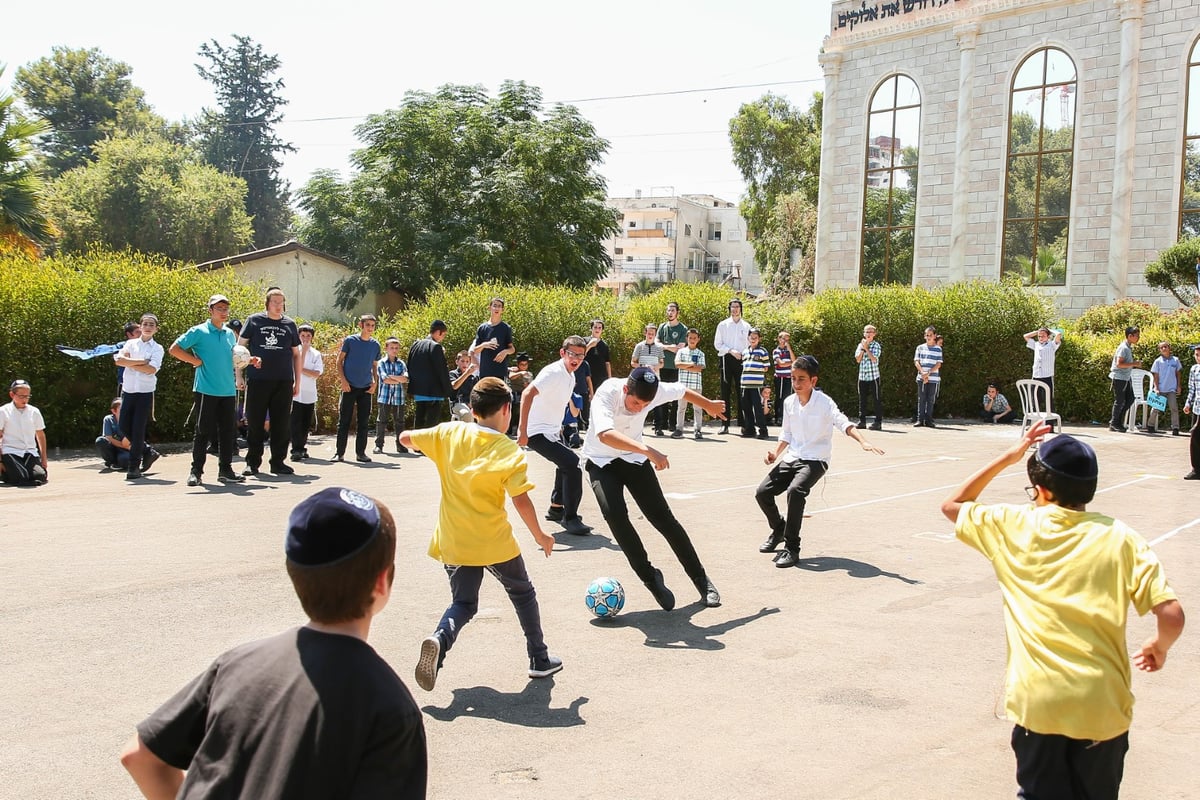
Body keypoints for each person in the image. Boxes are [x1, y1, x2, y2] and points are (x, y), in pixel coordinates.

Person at [119, 487, 428, 799]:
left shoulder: (237, 664)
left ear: (294, 572)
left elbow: (139, 756)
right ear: (381, 582)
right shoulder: (388, 708)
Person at [940, 425, 1185, 800]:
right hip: (1103, 705)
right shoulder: (1121, 537)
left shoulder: (1015, 525)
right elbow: (1170, 614)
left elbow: (953, 505)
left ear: (1042, 490)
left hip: (1039, 703)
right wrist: (1159, 646)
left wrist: (1010, 456)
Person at [401, 377, 561, 691]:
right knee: (522, 594)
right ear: (506, 410)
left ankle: (439, 639)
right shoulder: (509, 450)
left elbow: (407, 438)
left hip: (454, 539)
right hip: (494, 542)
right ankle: (539, 659)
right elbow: (521, 499)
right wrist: (541, 535)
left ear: (473, 410)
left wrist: (437, 442)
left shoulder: (450, 432)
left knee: (463, 603)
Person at [581, 368, 728, 609]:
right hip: (601, 461)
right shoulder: (607, 393)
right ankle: (650, 578)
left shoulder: (656, 391)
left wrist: (708, 404)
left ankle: (701, 580)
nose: (639, 408)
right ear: (626, 389)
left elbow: (682, 391)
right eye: (636, 402)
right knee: (615, 516)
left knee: (663, 519)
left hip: (633, 460)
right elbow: (606, 435)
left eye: (645, 404)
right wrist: (648, 450)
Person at [756, 356, 885, 567]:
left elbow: (843, 422)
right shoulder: (789, 402)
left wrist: (863, 441)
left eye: (802, 379)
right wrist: (775, 453)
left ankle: (792, 547)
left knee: (795, 491)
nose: (796, 384)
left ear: (813, 381)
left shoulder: (824, 403)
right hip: (793, 457)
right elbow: (786, 433)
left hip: (816, 460)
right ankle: (779, 528)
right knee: (762, 493)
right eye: (793, 379)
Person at [518, 336, 594, 536]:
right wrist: (522, 431)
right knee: (573, 464)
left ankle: (556, 508)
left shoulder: (570, 375)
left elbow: (555, 403)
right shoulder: (553, 372)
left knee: (565, 464)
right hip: (536, 433)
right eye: (572, 354)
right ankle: (570, 518)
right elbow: (527, 394)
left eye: (580, 355)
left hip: (551, 431)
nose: (576, 358)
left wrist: (558, 427)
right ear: (563, 353)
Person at [169, 295, 244, 486]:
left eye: (226, 308)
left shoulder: (229, 334)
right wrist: (195, 361)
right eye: (219, 308)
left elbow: (234, 358)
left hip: (227, 390)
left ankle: (226, 471)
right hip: (206, 389)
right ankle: (196, 472)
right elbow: (174, 349)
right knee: (202, 431)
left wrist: (251, 361)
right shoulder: (199, 331)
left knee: (228, 432)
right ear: (210, 310)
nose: (223, 312)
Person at [238, 288, 302, 477]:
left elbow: (296, 355)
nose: (277, 305)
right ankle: (252, 463)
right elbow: (239, 349)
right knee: (255, 423)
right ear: (267, 303)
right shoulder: (254, 320)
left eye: (281, 301)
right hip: (258, 380)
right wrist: (239, 375)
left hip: (283, 381)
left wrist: (297, 382)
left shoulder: (289, 324)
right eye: (274, 301)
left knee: (281, 424)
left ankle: (278, 462)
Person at [114, 312, 164, 479]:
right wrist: (141, 362)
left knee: (137, 429)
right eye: (145, 324)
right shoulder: (131, 343)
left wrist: (131, 363)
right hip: (128, 390)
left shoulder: (157, 348)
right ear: (140, 326)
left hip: (145, 392)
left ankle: (133, 467)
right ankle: (147, 451)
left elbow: (151, 369)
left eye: (151, 325)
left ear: (156, 329)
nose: (148, 327)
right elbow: (119, 360)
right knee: (123, 426)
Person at [335, 315, 382, 463]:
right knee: (344, 421)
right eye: (368, 324)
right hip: (349, 386)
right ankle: (339, 453)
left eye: (373, 325)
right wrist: (343, 381)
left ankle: (361, 453)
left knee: (364, 422)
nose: (370, 328)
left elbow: (375, 365)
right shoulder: (350, 341)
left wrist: (375, 382)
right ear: (361, 325)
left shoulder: (375, 345)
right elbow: (339, 361)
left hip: (366, 387)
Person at [0, 379, 48, 486]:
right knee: (22, 478)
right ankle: (6, 473)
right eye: (21, 396)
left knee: (39, 476)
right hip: (11, 451)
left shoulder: (34, 411)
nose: (25, 399)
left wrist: (44, 459)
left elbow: (40, 434)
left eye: (27, 396)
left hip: (29, 451)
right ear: (12, 394)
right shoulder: (3, 411)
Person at [714, 298, 751, 435]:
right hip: (726, 358)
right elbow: (717, 344)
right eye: (732, 307)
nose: (735, 309)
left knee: (742, 392)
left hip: (742, 359)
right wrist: (730, 351)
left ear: (741, 308)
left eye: (737, 306)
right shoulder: (723, 325)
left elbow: (749, 344)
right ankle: (724, 424)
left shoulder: (746, 326)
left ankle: (743, 424)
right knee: (725, 392)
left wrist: (742, 354)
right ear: (729, 309)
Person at [408, 320, 454, 430]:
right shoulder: (436, 347)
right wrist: (448, 391)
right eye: (443, 335)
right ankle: (427, 447)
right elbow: (441, 371)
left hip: (418, 391)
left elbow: (409, 365)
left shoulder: (416, 345)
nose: (443, 338)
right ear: (438, 332)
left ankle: (417, 446)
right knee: (431, 424)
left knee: (419, 419)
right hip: (433, 392)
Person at [290, 324, 323, 462]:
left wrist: (301, 369)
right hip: (296, 393)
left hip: (309, 393)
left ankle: (302, 448)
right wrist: (302, 356)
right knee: (295, 422)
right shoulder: (294, 351)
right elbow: (293, 368)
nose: (305, 338)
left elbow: (316, 373)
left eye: (308, 336)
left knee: (305, 423)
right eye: (302, 335)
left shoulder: (316, 354)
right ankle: (295, 449)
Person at [655, 301, 689, 435]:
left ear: (677, 312)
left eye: (672, 311)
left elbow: (679, 347)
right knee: (661, 393)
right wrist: (669, 347)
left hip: (676, 366)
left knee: (675, 396)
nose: (670, 313)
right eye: (668, 310)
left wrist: (665, 346)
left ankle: (672, 423)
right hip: (662, 365)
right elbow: (657, 344)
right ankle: (661, 423)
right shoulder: (662, 327)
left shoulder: (683, 328)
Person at [372, 337, 409, 455]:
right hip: (385, 396)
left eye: (396, 348)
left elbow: (406, 378)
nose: (394, 350)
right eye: (392, 348)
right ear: (386, 348)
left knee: (400, 422)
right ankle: (379, 445)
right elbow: (385, 379)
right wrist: (398, 379)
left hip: (398, 397)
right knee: (381, 421)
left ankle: (400, 445)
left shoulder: (401, 363)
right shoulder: (382, 362)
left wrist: (393, 377)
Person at [469, 297, 515, 381]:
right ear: (490, 308)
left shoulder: (506, 328)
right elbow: (475, 351)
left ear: (502, 310)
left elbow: (512, 349)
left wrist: (505, 352)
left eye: (499, 306)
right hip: (485, 372)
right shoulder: (482, 328)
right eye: (494, 305)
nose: (497, 308)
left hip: (500, 371)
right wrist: (484, 345)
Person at [1108, 326, 1142, 432]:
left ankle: (1117, 421)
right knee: (1120, 401)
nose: (1138, 338)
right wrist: (1134, 364)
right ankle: (1114, 423)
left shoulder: (1128, 347)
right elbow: (1119, 364)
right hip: (1119, 378)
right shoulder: (1124, 348)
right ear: (1130, 336)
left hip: (1126, 378)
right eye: (1137, 336)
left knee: (1130, 399)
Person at [674, 328, 707, 438]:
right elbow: (677, 364)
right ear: (687, 339)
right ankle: (679, 429)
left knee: (697, 408)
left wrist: (686, 366)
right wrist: (690, 364)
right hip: (682, 385)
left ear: (698, 339)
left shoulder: (700, 353)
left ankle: (697, 430)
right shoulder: (681, 351)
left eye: (694, 338)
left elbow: (699, 368)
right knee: (681, 408)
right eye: (690, 338)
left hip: (696, 385)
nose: (692, 340)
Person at [739, 328, 770, 439]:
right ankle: (750, 429)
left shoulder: (762, 351)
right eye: (751, 337)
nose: (753, 339)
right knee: (746, 408)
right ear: (748, 338)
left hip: (756, 385)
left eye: (755, 338)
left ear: (759, 339)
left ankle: (763, 431)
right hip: (745, 384)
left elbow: (766, 367)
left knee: (757, 408)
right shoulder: (745, 351)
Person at [581, 319, 612, 429]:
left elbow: (607, 362)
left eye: (600, 328)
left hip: (601, 376)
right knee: (587, 398)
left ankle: (597, 422)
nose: (597, 329)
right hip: (587, 375)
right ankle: (584, 422)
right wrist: (589, 345)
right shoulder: (584, 341)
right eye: (595, 327)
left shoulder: (604, 345)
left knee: (599, 399)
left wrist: (609, 377)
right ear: (591, 328)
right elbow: (581, 356)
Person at [1023, 326, 1062, 410]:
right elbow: (1025, 336)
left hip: (1047, 376)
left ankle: (1050, 422)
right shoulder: (1036, 344)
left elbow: (1058, 334)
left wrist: (1049, 330)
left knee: (1048, 399)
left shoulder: (1052, 345)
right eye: (1039, 336)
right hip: (1036, 376)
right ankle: (1035, 420)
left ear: (1048, 336)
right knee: (1035, 400)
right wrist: (1038, 331)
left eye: (1043, 336)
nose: (1040, 338)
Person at [1148, 341, 1182, 435]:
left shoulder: (1175, 360)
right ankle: (1150, 425)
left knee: (1174, 408)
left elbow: (1178, 374)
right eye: (1162, 347)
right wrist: (1156, 387)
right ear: (1159, 350)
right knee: (1156, 408)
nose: (1164, 349)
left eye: (1165, 347)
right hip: (1161, 388)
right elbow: (1156, 375)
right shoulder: (1158, 361)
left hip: (1171, 389)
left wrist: (1178, 386)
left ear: (1169, 348)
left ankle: (1175, 428)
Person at [913, 326, 942, 428]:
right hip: (921, 377)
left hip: (933, 378)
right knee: (921, 398)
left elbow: (938, 364)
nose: (928, 337)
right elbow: (916, 361)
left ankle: (929, 420)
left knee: (930, 399)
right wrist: (922, 373)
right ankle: (919, 420)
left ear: (934, 336)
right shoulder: (920, 347)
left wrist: (928, 373)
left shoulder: (938, 349)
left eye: (930, 335)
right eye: (926, 335)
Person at [855, 324, 883, 430]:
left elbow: (874, 359)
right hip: (862, 376)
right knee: (862, 399)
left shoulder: (876, 345)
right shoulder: (860, 345)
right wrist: (863, 348)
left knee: (876, 399)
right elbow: (858, 359)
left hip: (873, 376)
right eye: (866, 332)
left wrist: (867, 349)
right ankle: (862, 421)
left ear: (874, 334)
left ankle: (878, 422)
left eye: (870, 332)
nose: (868, 334)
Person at [95, 398, 132, 470]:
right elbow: (109, 438)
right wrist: (123, 445)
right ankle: (112, 461)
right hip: (114, 447)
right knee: (100, 440)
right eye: (121, 409)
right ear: (114, 411)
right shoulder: (108, 419)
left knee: (125, 460)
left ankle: (119, 462)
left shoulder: (130, 420)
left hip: (126, 450)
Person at [1182, 346, 1200, 479]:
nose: (1198, 358)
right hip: (1197, 408)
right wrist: (1188, 403)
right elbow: (1192, 389)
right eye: (1196, 355)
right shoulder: (1194, 369)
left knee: (1195, 433)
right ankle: (1196, 469)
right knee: (1195, 438)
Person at [507, 352, 534, 437]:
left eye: (525, 364)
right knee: (516, 404)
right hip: (514, 395)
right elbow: (511, 377)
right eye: (522, 364)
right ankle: (512, 427)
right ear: (518, 364)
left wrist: (527, 385)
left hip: (524, 394)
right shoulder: (514, 371)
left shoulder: (529, 374)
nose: (524, 366)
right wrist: (520, 373)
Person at [772, 331, 794, 426]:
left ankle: (786, 417)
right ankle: (778, 416)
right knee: (779, 397)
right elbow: (780, 363)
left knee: (787, 397)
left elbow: (795, 360)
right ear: (779, 339)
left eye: (787, 340)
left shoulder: (788, 351)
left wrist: (789, 349)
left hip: (788, 377)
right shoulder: (776, 351)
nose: (785, 341)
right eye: (784, 339)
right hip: (780, 377)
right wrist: (790, 363)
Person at [116, 320, 142, 394]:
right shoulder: (122, 346)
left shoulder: (147, 346)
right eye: (137, 332)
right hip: (125, 384)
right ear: (129, 334)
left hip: (143, 385)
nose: (141, 334)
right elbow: (119, 361)